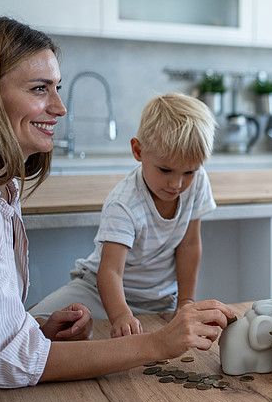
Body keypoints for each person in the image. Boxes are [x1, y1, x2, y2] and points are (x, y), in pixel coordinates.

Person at [0, 14, 233, 388]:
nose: (60, 108)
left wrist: (37, 327)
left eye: (57, 88)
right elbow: (8, 359)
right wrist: (156, 342)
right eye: (41, 88)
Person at [29, 93, 217, 338]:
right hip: (96, 291)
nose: (177, 183)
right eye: (165, 169)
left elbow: (190, 245)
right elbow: (110, 271)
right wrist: (121, 315)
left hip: (158, 300)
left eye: (189, 171)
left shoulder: (197, 183)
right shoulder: (125, 202)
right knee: (30, 326)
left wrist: (186, 301)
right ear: (138, 151)